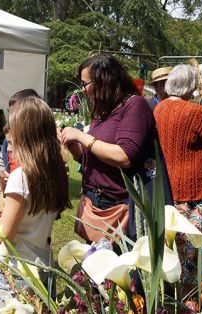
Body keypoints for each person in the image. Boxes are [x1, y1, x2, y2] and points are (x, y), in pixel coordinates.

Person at [60, 54, 155, 243]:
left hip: (120, 206)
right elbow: (91, 158)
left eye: (85, 83)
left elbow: (124, 156)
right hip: (94, 202)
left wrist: (81, 136)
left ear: (104, 80)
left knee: (118, 268)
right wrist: (72, 144)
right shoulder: (103, 110)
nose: (83, 90)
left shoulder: (135, 106)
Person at [154, 64, 202, 295]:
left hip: (167, 190)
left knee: (170, 248)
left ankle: (167, 294)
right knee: (194, 250)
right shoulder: (196, 113)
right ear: (191, 87)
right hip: (193, 190)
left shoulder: (158, 110)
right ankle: (190, 298)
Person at [0, 97, 71, 292]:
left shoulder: (20, 177)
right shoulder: (56, 171)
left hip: (18, 270)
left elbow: (3, 235)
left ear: (24, 135)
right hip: (43, 265)